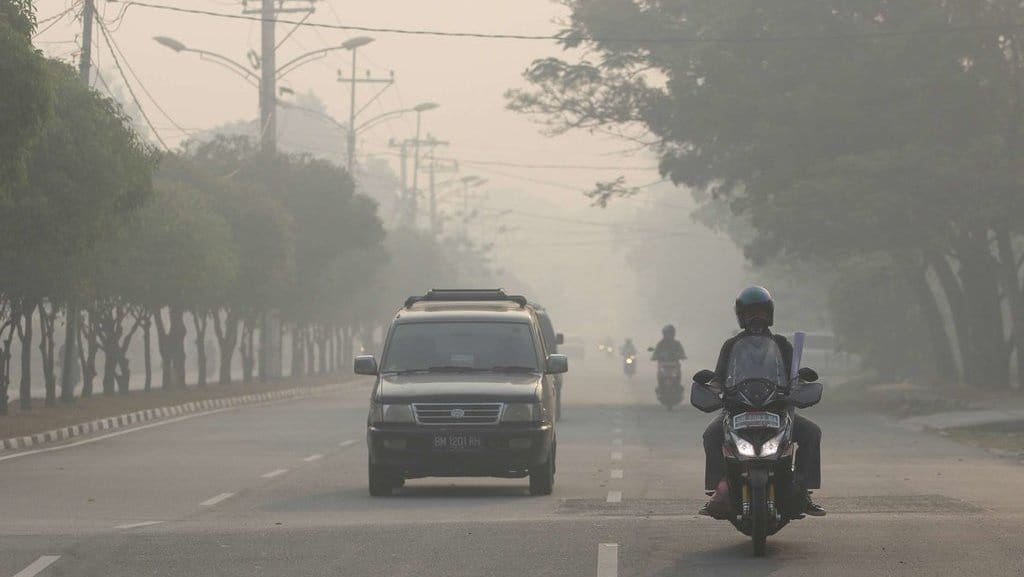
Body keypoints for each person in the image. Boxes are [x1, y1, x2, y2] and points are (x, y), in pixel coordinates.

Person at [699, 286, 826, 518]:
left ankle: (802, 491)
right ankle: (719, 492)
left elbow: (794, 377)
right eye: (750, 313)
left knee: (812, 433)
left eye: (760, 312)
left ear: (769, 314)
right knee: (711, 435)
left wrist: (798, 387)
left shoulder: (782, 344)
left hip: (776, 408)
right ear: (741, 316)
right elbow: (718, 379)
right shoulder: (731, 345)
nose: (755, 318)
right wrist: (713, 391)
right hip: (737, 409)